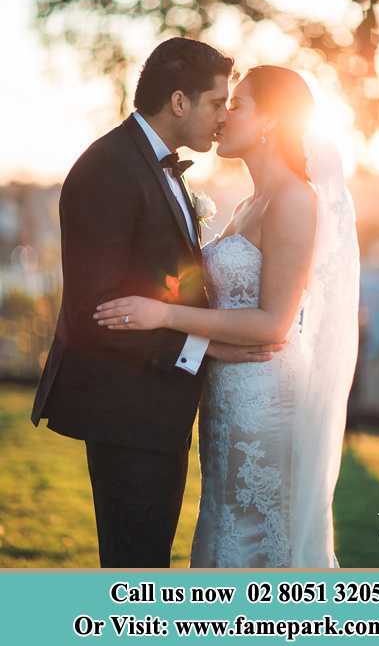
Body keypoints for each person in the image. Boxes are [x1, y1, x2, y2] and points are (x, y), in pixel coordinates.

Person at [93, 65, 361, 567]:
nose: (222, 115)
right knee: (223, 531)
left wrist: (162, 315)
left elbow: (272, 324)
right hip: (224, 398)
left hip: (265, 399)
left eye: (235, 105)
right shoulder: (247, 206)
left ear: (270, 123)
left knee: (258, 541)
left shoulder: (293, 201)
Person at [30, 38, 283, 568]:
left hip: (154, 409)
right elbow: (96, 311)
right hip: (125, 408)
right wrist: (202, 348)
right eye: (217, 103)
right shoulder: (110, 169)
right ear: (178, 102)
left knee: (146, 559)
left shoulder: (152, 164)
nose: (221, 117)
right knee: (135, 566)